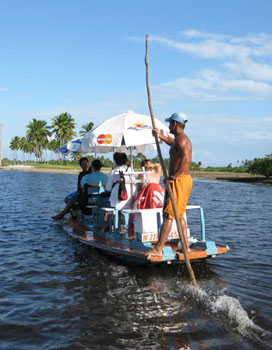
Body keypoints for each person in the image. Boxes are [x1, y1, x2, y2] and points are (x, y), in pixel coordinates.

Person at [145, 112, 193, 256]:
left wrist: (173, 177)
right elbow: (172, 143)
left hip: (179, 180)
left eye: (169, 123)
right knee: (178, 215)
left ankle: (158, 249)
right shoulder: (179, 139)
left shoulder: (182, 140)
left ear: (175, 124)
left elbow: (186, 160)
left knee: (168, 215)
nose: (168, 126)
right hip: (182, 180)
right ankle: (185, 247)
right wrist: (160, 136)